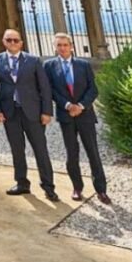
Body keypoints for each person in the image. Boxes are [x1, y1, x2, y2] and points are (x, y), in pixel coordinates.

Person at [0, 27, 57, 201]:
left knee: (40, 150)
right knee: (17, 150)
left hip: (32, 112)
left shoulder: (33, 61)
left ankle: (48, 186)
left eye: (15, 40)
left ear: (21, 42)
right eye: (9, 40)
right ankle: (21, 183)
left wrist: (47, 111)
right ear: (3, 42)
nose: (12, 43)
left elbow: (44, 88)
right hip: (10, 112)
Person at [45, 32, 110, 205]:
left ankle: (101, 190)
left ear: (71, 46)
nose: (62, 48)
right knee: (71, 154)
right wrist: (67, 105)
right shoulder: (49, 66)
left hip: (85, 115)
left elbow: (93, 89)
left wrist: (80, 106)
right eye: (59, 45)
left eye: (65, 45)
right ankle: (77, 187)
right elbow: (50, 90)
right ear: (55, 47)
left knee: (93, 153)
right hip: (66, 116)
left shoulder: (83, 64)